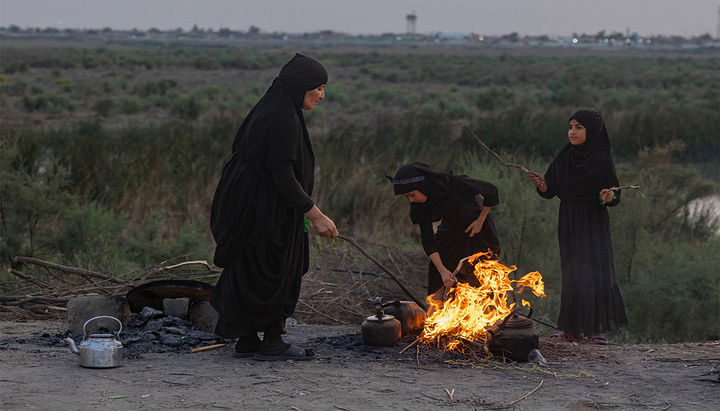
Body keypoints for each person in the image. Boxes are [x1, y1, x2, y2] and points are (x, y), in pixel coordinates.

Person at [209, 53, 338, 361]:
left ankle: (248, 340)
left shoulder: (273, 109)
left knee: (252, 268)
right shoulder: (282, 119)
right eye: (317, 87)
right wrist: (315, 215)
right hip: (265, 214)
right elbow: (282, 175)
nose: (322, 95)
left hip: (251, 209)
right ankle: (272, 342)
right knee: (275, 269)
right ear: (299, 88)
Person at [528, 109, 628, 344]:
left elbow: (616, 197)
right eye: (571, 127)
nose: (572, 132)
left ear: (591, 131)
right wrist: (541, 184)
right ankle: (571, 329)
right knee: (572, 273)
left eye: (579, 128)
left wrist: (607, 197)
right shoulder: (564, 157)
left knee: (593, 272)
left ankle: (594, 330)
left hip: (593, 220)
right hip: (569, 220)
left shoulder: (601, 159)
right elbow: (550, 192)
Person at [387, 162, 501, 298]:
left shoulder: (455, 183)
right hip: (451, 233)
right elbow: (428, 241)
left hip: (478, 230)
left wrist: (480, 221)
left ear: (422, 185)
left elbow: (491, 191)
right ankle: (433, 315)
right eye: (407, 197)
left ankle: (490, 313)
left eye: (412, 195)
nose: (411, 200)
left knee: (482, 277)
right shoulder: (419, 205)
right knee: (437, 277)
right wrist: (442, 271)